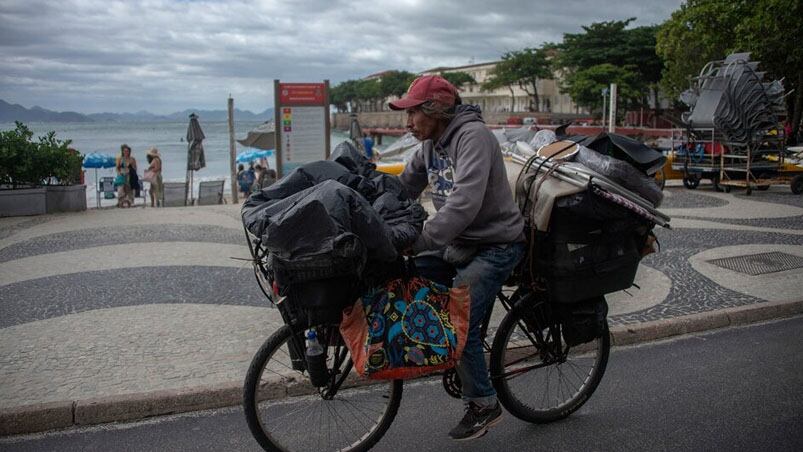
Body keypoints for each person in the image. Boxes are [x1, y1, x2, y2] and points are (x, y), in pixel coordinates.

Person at [389, 75, 525, 441]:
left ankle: (483, 402)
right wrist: (373, 213)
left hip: (495, 246)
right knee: (408, 274)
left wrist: (420, 240)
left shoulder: (473, 137)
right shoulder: (431, 144)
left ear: (434, 110)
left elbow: (464, 204)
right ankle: (446, 350)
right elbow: (404, 187)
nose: (408, 122)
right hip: (458, 242)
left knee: (457, 318)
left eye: (413, 113)